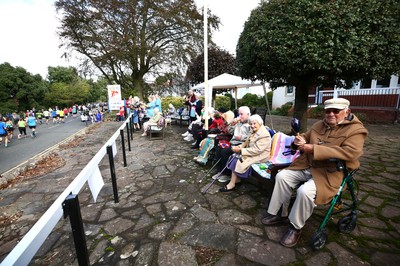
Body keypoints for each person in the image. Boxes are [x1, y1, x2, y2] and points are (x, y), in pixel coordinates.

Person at [262, 98, 368, 248]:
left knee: (304, 191)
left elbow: (351, 153)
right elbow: (306, 136)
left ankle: (295, 228)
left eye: (336, 111)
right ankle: (280, 214)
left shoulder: (356, 130)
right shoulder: (320, 124)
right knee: (282, 176)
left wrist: (314, 149)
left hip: (331, 172)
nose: (331, 114)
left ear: (347, 112)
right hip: (308, 165)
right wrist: (298, 141)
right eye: (328, 111)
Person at [219, 114, 272, 192]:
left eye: (254, 123)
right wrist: (239, 147)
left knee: (238, 159)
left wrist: (241, 151)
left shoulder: (264, 134)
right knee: (234, 156)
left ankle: (232, 183)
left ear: (260, 123)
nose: (252, 125)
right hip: (254, 153)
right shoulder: (254, 131)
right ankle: (235, 180)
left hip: (260, 156)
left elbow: (257, 150)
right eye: (251, 124)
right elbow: (245, 143)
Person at [211, 106, 252, 182]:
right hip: (232, 142)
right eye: (239, 114)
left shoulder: (251, 123)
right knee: (218, 148)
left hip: (241, 145)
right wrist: (232, 124)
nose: (239, 116)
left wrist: (242, 137)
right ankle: (221, 171)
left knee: (225, 152)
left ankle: (227, 174)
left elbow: (251, 137)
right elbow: (230, 132)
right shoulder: (238, 122)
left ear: (248, 114)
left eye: (241, 114)